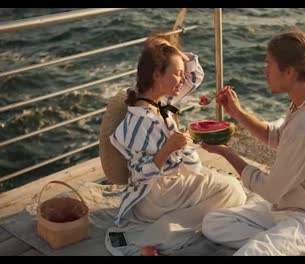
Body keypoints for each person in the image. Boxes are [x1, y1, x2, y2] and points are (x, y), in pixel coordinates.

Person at [200, 29, 305, 256]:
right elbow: (276, 137)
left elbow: (270, 190)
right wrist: (237, 113)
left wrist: (227, 153)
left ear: (289, 72)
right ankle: (282, 246)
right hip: (284, 207)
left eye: (269, 64)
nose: (264, 70)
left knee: (250, 253)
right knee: (213, 222)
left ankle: (287, 245)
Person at [105, 35, 246, 255]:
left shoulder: (160, 100)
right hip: (157, 194)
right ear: (156, 74)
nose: (182, 79)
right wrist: (169, 148)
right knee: (233, 190)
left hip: (168, 186)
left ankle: (167, 228)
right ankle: (159, 237)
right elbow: (140, 174)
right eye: (177, 74)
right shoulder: (139, 121)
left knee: (228, 189)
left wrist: (170, 51)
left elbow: (195, 74)